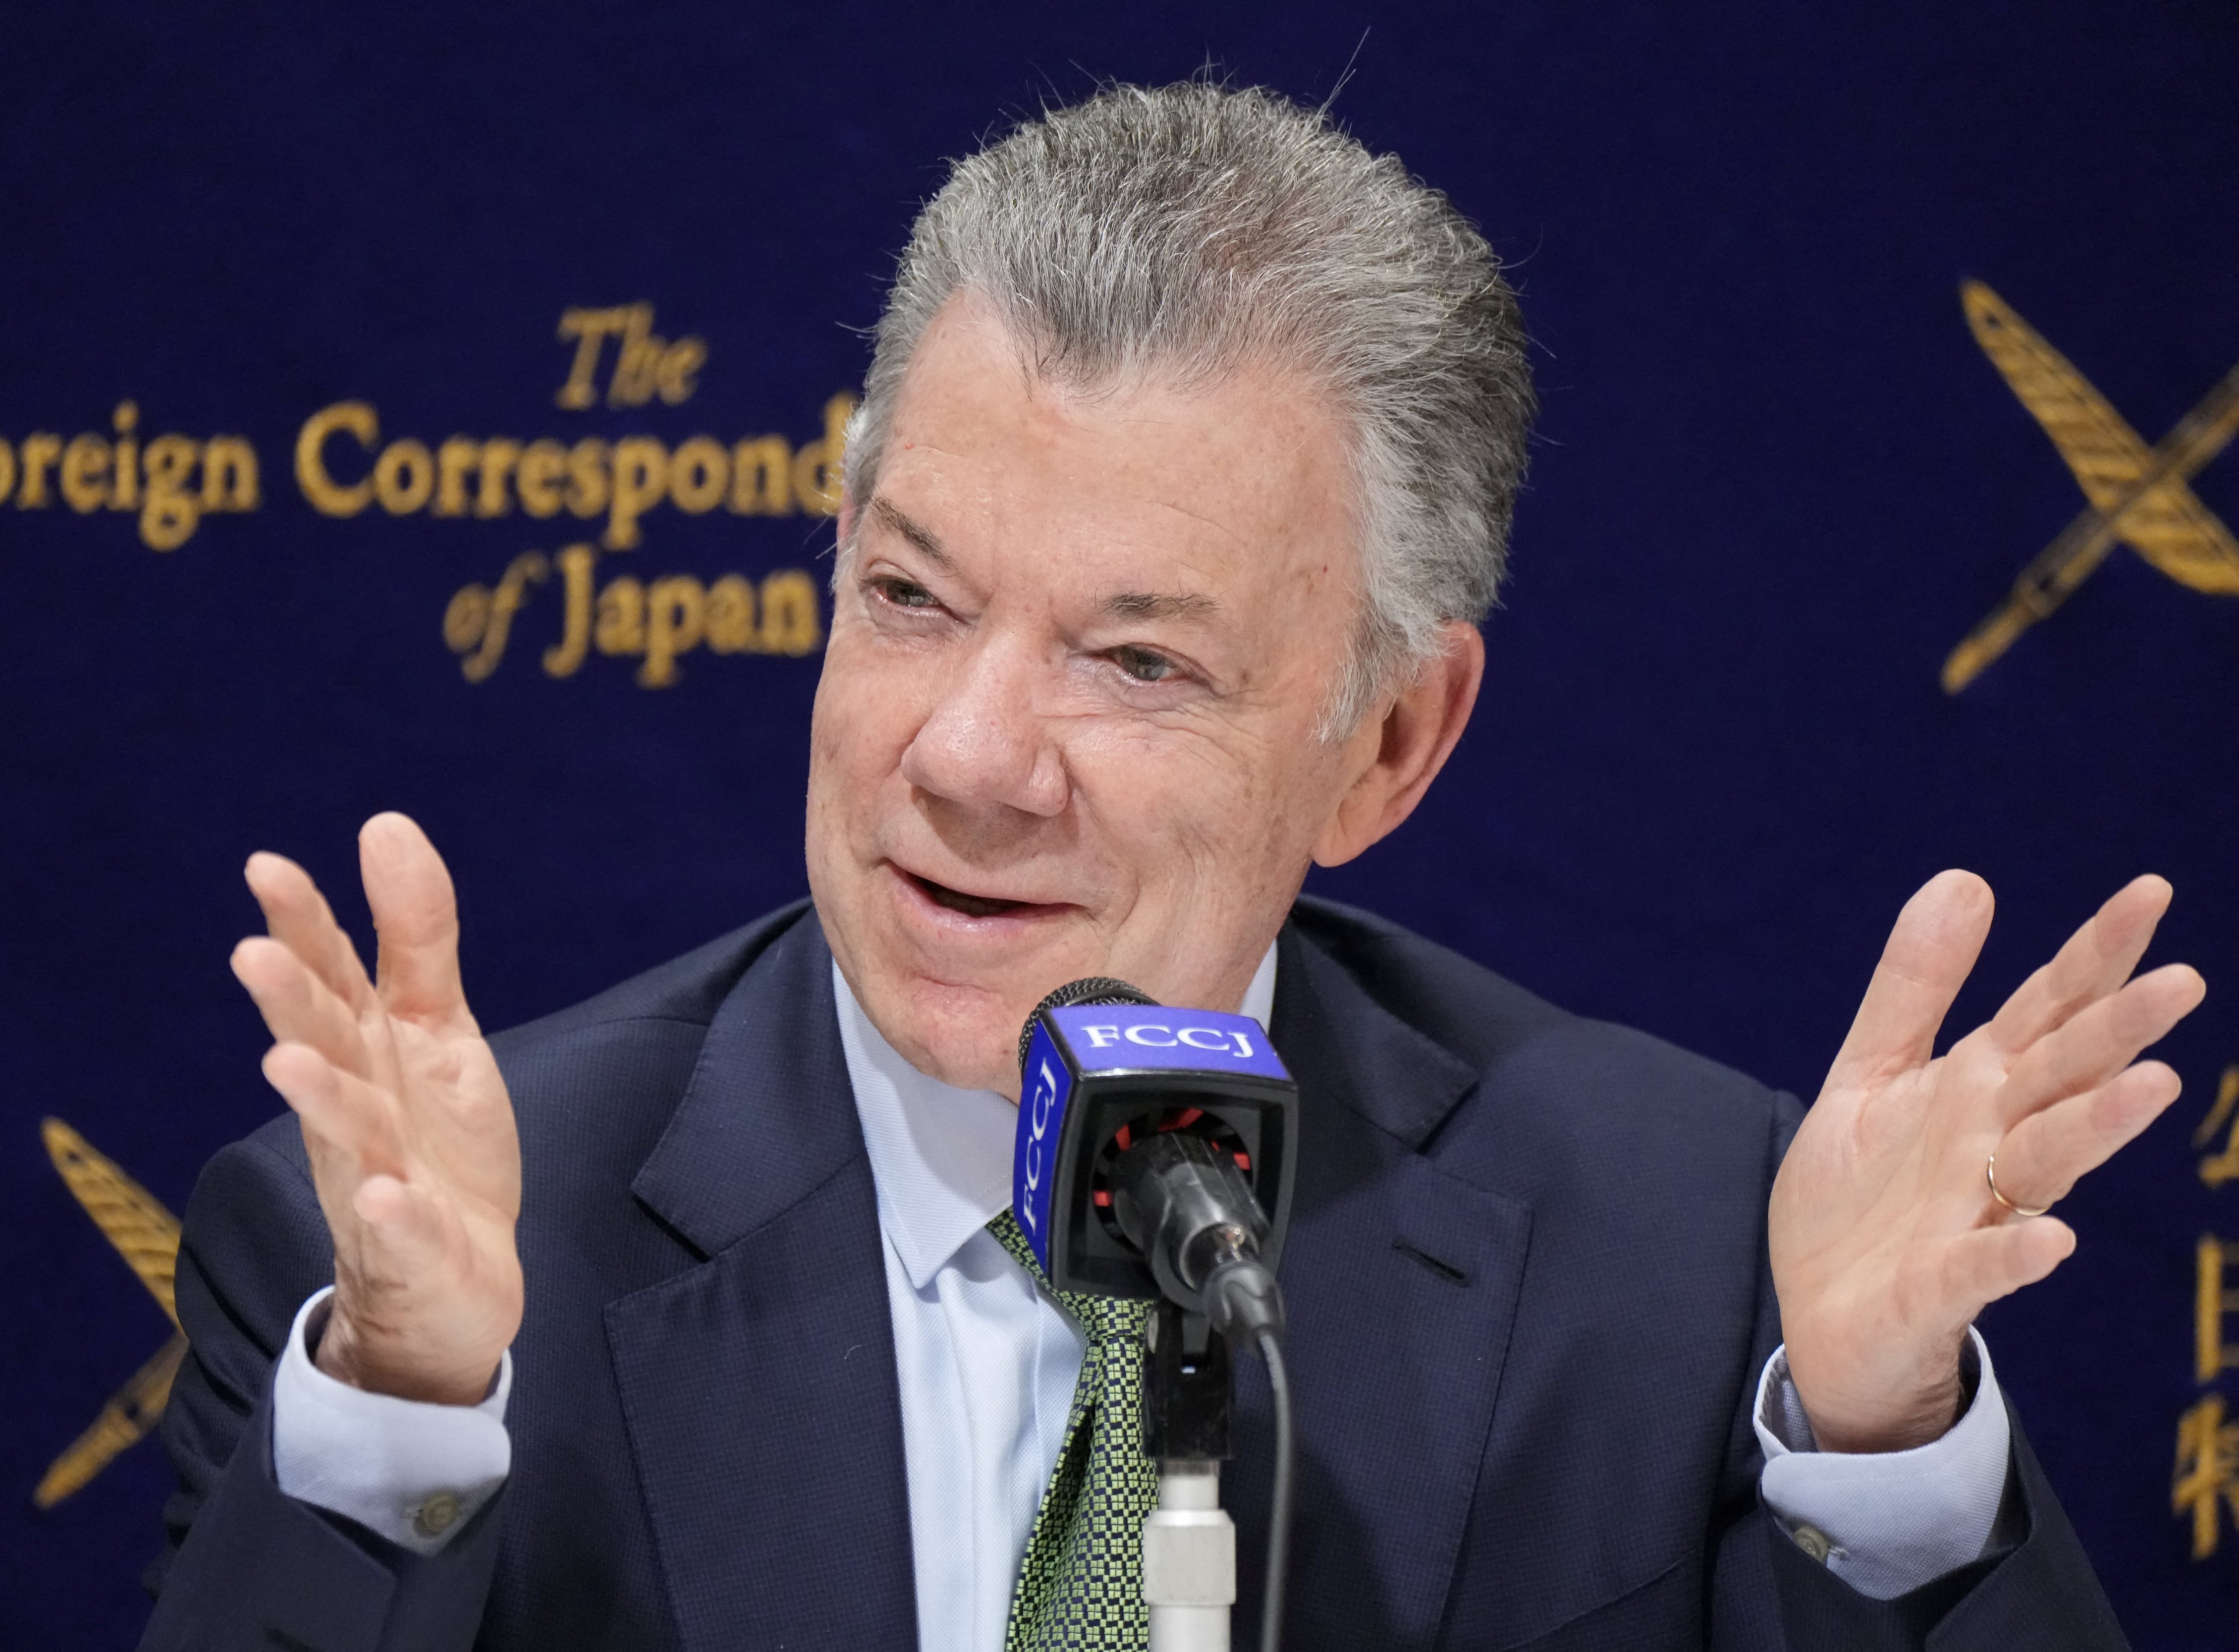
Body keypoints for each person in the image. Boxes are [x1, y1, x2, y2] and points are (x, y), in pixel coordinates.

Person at [138, 83, 2200, 1651]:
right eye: (910, 598)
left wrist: (1878, 1467)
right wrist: (408, 1413)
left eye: (1133, 660)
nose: (961, 759)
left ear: (1385, 744)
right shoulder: (430, 1276)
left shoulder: (1672, 1253)